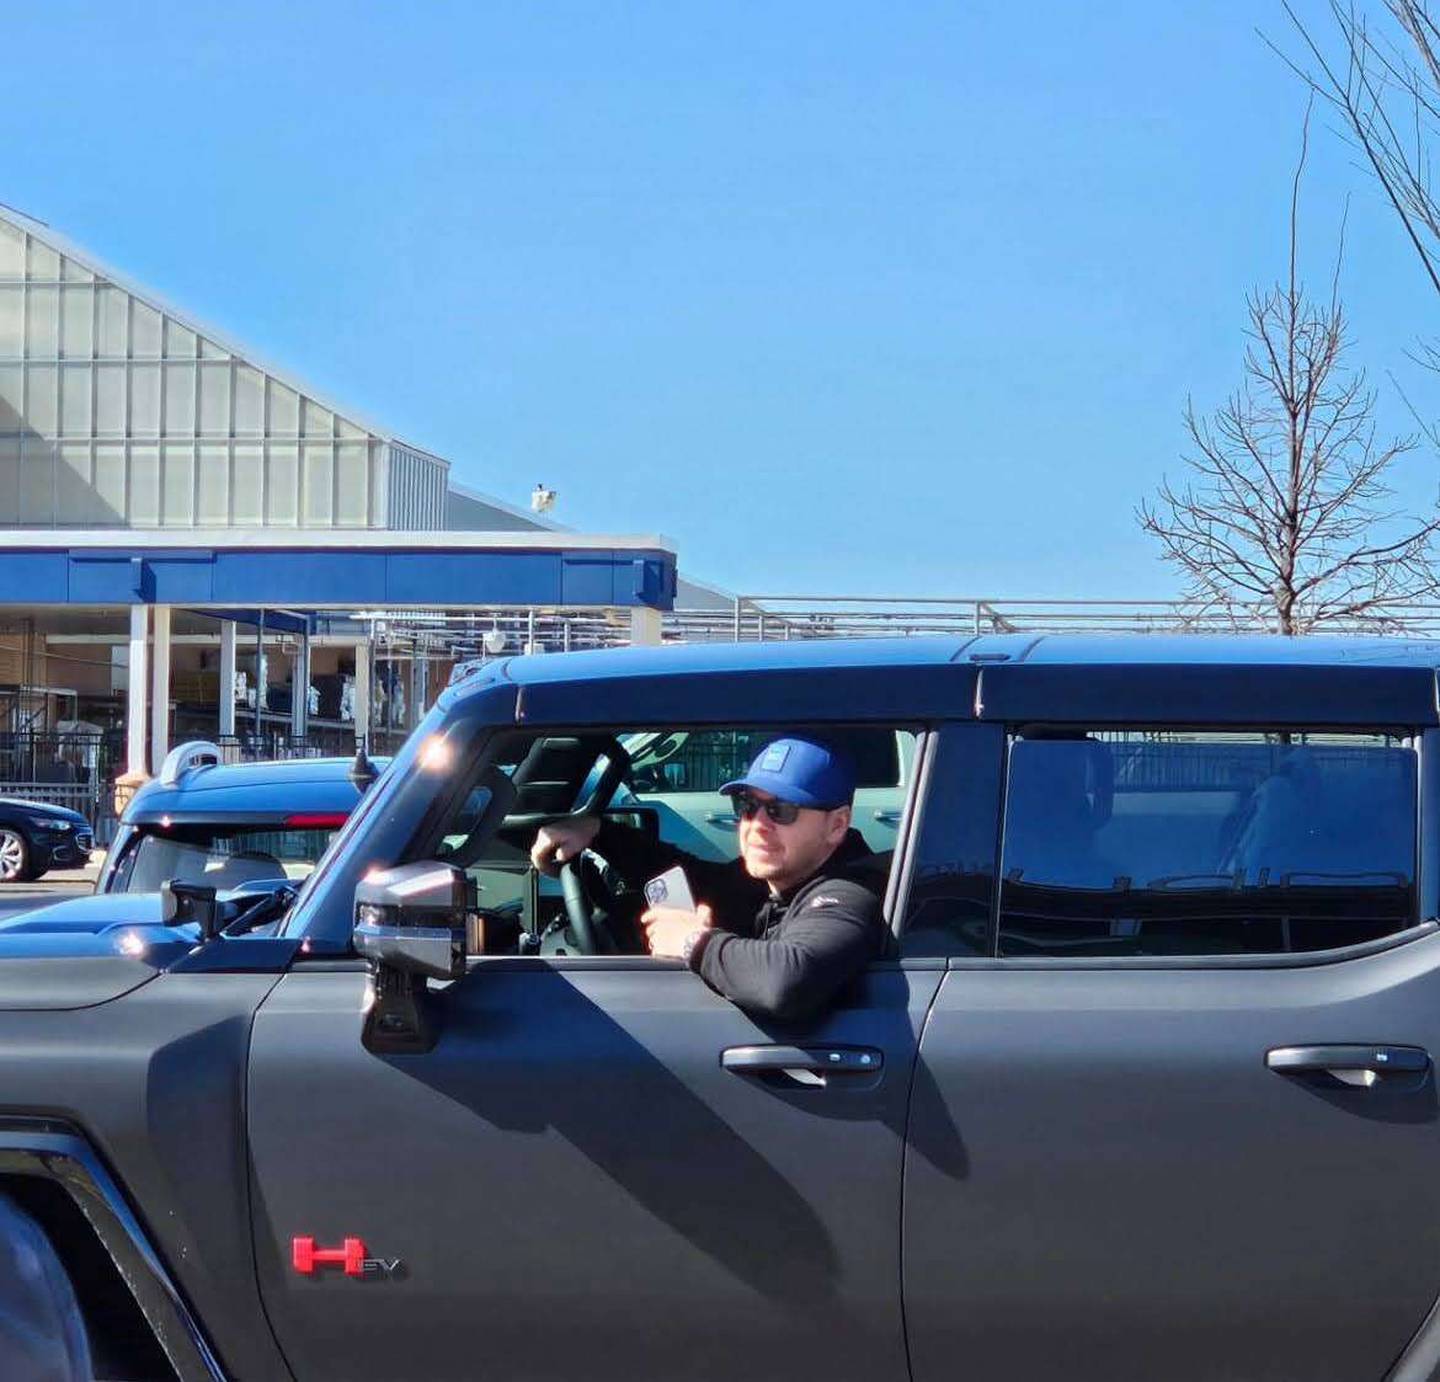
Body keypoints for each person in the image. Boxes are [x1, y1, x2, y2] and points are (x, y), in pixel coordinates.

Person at [531, 736, 886, 1022]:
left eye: (781, 810)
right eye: (747, 806)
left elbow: (788, 981)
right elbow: (699, 879)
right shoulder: (780, 879)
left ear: (837, 825)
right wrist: (600, 833)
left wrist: (693, 942)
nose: (757, 825)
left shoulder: (851, 891)